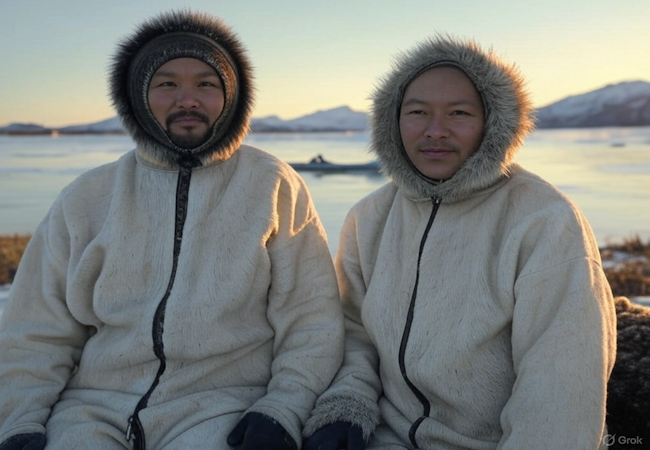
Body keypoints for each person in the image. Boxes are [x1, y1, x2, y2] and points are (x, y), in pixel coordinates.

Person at [0, 10, 344, 450]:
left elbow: (311, 322)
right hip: (91, 407)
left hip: (224, 407)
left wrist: (283, 407)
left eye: (206, 83)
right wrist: (19, 420)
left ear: (231, 97)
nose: (188, 99)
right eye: (167, 84)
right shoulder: (87, 197)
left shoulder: (273, 185)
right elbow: (36, 329)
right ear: (140, 98)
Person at [302, 35, 617, 449]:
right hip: (386, 436)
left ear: (492, 122)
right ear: (393, 121)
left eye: (458, 113)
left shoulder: (544, 220)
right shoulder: (370, 217)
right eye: (417, 112)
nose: (436, 131)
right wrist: (348, 400)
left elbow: (561, 385)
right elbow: (355, 331)